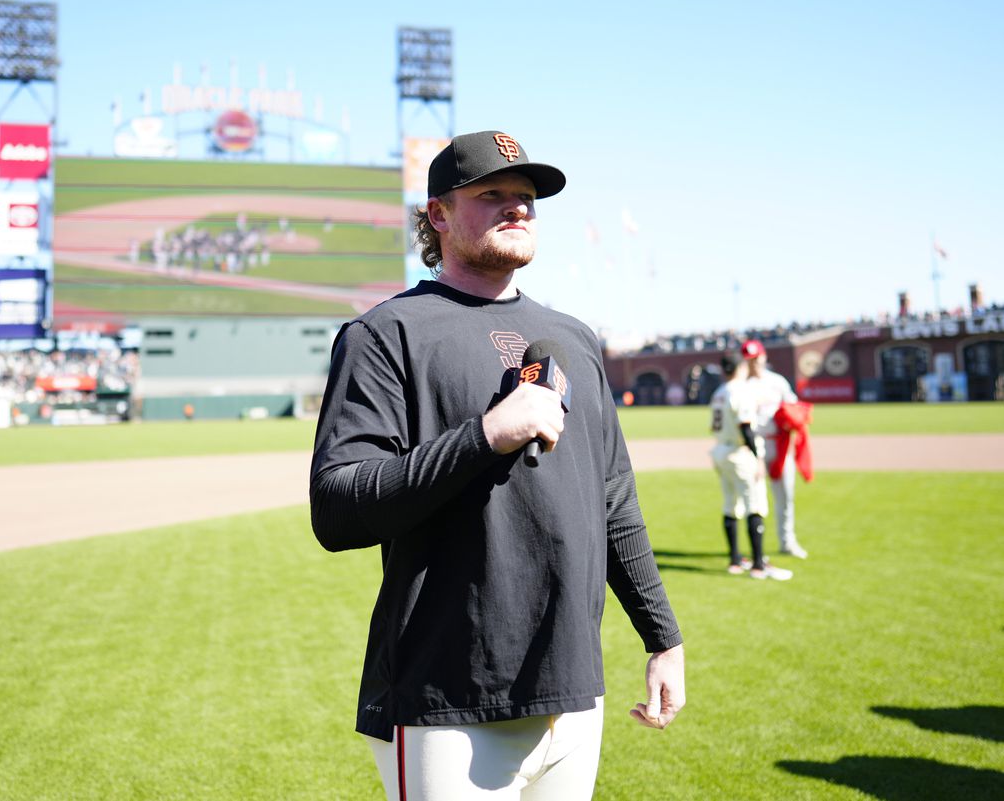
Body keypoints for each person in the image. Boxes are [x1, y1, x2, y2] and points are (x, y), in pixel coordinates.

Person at [310, 131, 684, 800]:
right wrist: (486, 434)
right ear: (438, 215)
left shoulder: (573, 338)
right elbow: (338, 506)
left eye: (527, 198)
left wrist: (662, 637)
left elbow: (614, 499)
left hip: (573, 687)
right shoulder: (385, 334)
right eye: (492, 195)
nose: (518, 208)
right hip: (447, 696)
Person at [709, 349, 791, 580]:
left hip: (720, 450)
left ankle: (735, 560)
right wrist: (758, 458)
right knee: (755, 505)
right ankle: (757, 564)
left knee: (730, 505)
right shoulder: (740, 391)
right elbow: (746, 427)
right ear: (740, 367)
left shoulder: (719, 392)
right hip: (739, 451)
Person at [741, 339, 808, 558]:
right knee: (754, 500)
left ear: (764, 356)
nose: (754, 364)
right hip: (753, 446)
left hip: (779, 444)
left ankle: (787, 541)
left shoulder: (777, 382)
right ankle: (756, 549)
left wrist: (793, 421)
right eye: (749, 360)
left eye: (756, 358)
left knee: (785, 496)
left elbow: (794, 407)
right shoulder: (742, 385)